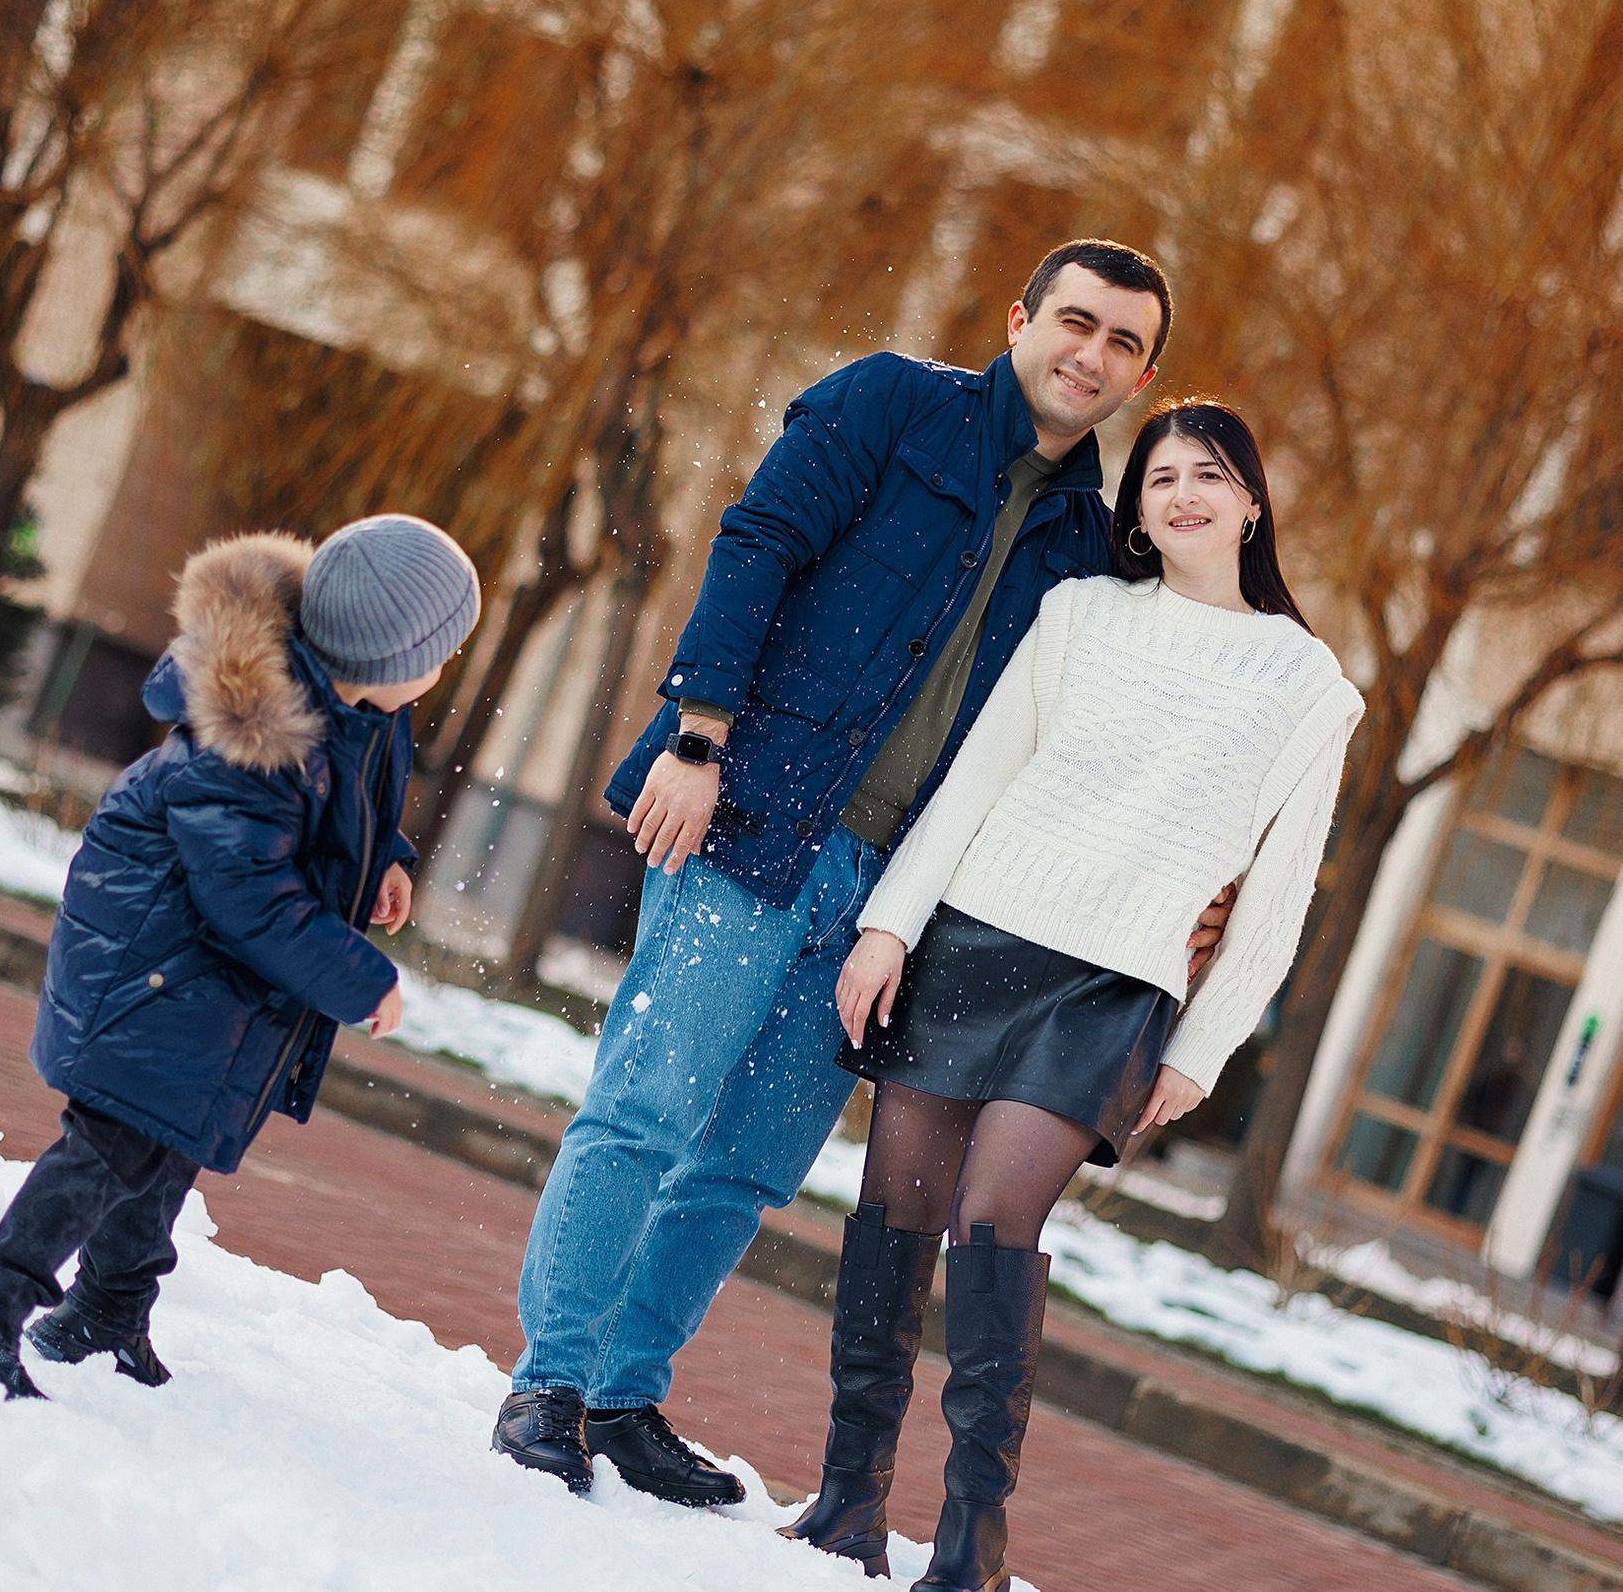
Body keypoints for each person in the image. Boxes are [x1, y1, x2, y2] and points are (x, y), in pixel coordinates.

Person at [496, 241, 1221, 1504]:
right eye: (1075, 322)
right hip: (751, 823)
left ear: (1143, 375)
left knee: (750, 1161)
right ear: (1020, 318)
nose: (1090, 355)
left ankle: (623, 1393)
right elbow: (758, 541)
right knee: (647, 1108)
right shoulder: (892, 404)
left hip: (892, 903)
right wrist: (696, 732)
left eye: (1122, 344)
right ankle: (548, 1383)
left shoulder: (1096, 549)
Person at [786, 401, 1363, 1590]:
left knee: (994, 1216)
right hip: (969, 939)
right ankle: (847, 1503)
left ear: (1252, 501)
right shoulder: (1078, 615)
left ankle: (970, 1543)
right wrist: (891, 923)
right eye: (1159, 479)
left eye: (1209, 476)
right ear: (1135, 511)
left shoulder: (1307, 684)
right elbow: (978, 780)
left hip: (1105, 988)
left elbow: (1280, 897)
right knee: (893, 1207)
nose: (1184, 495)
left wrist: (1200, 1053)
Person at [0, 517, 481, 1398]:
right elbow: (248, 896)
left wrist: (386, 858)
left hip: (201, 981)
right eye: (444, 653)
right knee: (109, 1152)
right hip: (158, 966)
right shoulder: (255, 740)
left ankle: (107, 1311)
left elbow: (343, 808)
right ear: (393, 659)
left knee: (163, 1147)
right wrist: (362, 981)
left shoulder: (353, 710)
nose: (446, 670)